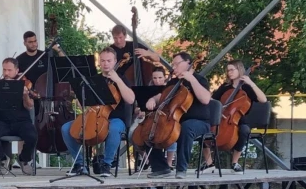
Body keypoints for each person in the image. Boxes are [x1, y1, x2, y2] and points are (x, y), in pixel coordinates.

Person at [60, 47, 136, 177]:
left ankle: (106, 164)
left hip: (115, 119)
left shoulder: (122, 79)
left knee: (114, 128)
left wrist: (117, 80)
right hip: (94, 116)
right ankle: (80, 164)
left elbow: (131, 99)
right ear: (99, 62)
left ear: (115, 61)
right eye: (103, 61)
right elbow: (84, 102)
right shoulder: (94, 79)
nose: (106, 63)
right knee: (66, 128)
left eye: (109, 61)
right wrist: (80, 100)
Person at [140, 51, 212, 179]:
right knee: (149, 128)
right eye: (172, 65)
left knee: (186, 127)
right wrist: (152, 99)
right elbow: (162, 95)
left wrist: (192, 80)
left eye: (176, 64)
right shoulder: (173, 82)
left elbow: (206, 99)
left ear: (188, 63)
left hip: (199, 122)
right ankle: (161, 168)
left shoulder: (200, 80)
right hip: (174, 120)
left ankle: (181, 169)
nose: (173, 67)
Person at [200, 60, 268, 173]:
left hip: (240, 120)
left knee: (244, 130)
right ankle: (209, 163)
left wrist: (251, 83)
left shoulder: (247, 88)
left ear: (239, 70)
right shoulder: (225, 87)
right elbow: (212, 101)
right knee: (204, 127)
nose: (229, 72)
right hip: (223, 118)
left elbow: (263, 100)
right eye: (228, 70)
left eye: (232, 70)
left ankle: (235, 163)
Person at [0, 58, 38, 175]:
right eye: (4, 70)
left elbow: (29, 106)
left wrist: (25, 95)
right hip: (4, 121)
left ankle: (23, 159)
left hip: (22, 121)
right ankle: (2, 159)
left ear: (17, 70)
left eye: (9, 70)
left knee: (32, 136)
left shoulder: (24, 83)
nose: (6, 73)